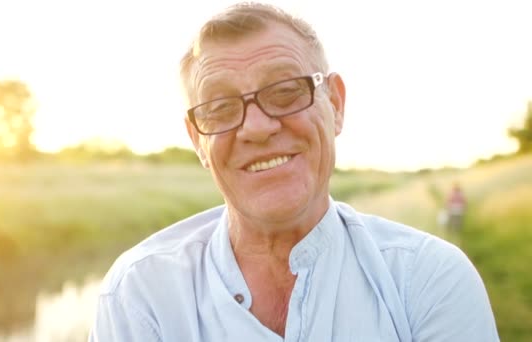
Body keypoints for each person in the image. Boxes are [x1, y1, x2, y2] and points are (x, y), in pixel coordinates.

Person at [89, 3, 499, 341]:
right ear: (198, 140)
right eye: (220, 108)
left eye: (286, 92)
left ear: (335, 104)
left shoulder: (427, 278)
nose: (256, 127)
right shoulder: (140, 294)